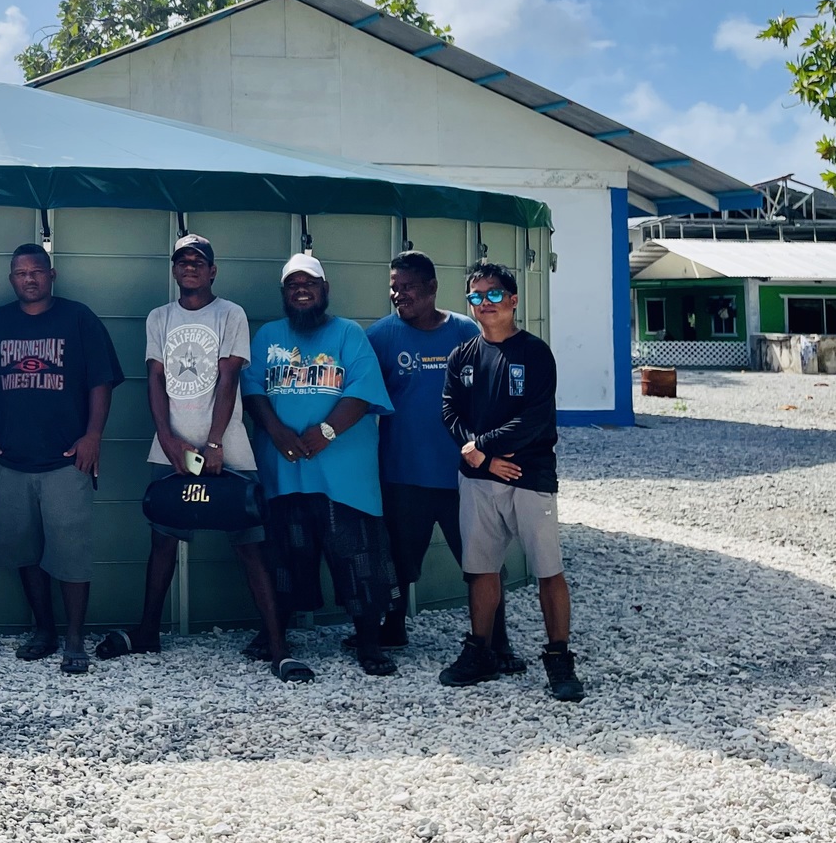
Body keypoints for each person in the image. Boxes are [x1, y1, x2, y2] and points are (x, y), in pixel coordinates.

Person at [97, 235, 299, 680]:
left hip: (226, 450)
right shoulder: (159, 317)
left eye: (198, 260)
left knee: (250, 545)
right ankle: (149, 630)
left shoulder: (230, 314)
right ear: (174, 270)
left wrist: (212, 443)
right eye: (182, 260)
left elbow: (228, 379)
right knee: (163, 543)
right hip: (170, 450)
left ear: (212, 271)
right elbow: (155, 379)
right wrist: (168, 441)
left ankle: (278, 644)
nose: (190, 266)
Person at [0, 243, 121, 674]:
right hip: (10, 459)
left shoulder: (78, 318)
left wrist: (94, 435)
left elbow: (101, 383)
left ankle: (74, 637)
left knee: (71, 553)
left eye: (37, 271)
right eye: (21, 273)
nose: (29, 279)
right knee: (24, 550)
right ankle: (44, 629)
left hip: (67, 459)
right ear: (11, 278)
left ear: (52, 275)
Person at [244, 252, 400, 678]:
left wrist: (326, 431)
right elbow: (253, 388)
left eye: (309, 283)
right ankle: (274, 632)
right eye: (293, 283)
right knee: (283, 557)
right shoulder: (268, 336)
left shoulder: (348, 333)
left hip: (343, 476)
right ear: (283, 293)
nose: (301, 289)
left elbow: (364, 390)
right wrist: (276, 431)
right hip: (285, 471)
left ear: (324, 290)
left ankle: (369, 641)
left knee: (359, 557)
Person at [365, 250, 521, 669]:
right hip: (402, 476)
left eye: (409, 288)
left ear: (432, 288)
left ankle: (497, 642)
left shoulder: (465, 331)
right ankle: (393, 627)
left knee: (480, 563)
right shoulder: (380, 337)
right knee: (399, 562)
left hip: (463, 477)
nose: (400, 296)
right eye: (394, 288)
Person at [438, 262, 585, 702]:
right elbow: (450, 413)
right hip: (479, 481)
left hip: (529, 476)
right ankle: (479, 651)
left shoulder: (536, 353)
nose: (486, 304)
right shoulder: (461, 356)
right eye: (477, 297)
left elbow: (536, 418)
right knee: (481, 569)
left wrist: (483, 449)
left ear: (514, 300)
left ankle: (559, 658)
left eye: (494, 295)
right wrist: (482, 459)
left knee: (548, 570)